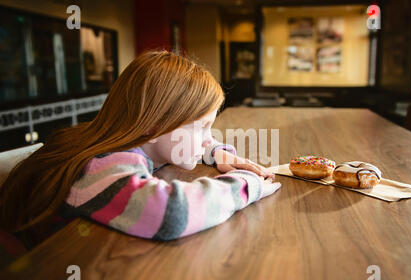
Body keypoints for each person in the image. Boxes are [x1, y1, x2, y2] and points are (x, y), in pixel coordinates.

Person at [0, 50, 281, 251]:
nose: (208, 138)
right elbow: (171, 214)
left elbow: (179, 143)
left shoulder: (129, 142)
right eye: (201, 127)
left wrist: (218, 154)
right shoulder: (102, 165)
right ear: (154, 122)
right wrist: (246, 186)